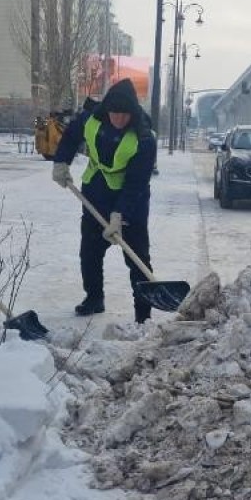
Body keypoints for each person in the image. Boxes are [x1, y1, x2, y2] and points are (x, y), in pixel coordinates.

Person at [51, 79, 158, 324]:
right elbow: (69, 137)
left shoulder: (144, 138)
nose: (119, 119)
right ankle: (94, 298)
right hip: (95, 195)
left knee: (137, 258)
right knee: (89, 252)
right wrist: (61, 162)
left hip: (132, 204)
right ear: (107, 109)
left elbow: (136, 183)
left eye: (124, 115)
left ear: (133, 112)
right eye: (114, 113)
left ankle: (143, 314)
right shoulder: (91, 119)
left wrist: (120, 215)